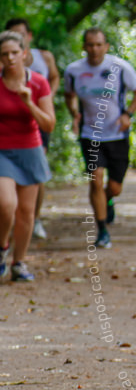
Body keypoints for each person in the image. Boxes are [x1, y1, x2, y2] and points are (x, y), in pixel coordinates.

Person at [64, 28, 136, 249]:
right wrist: (74, 114)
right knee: (96, 179)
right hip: (90, 134)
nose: (94, 49)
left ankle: (108, 199)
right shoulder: (74, 70)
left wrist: (128, 114)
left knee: (115, 187)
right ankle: (102, 231)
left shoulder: (119, 67)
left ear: (106, 46)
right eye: (90, 45)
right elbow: (69, 95)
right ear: (84, 47)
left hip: (117, 134)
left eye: (99, 44)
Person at [0, 30, 56, 281]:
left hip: (29, 150)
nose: (10, 58)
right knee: (6, 204)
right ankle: (2, 247)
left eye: (14, 53)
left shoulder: (38, 83)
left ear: (24, 54)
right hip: (2, 151)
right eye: (4, 54)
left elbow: (49, 125)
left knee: (26, 212)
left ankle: (19, 263)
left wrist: (29, 103)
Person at [5, 18, 60, 240]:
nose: (10, 57)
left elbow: (54, 77)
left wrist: (43, 99)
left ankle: (34, 219)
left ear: (27, 41)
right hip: (6, 136)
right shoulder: (4, 63)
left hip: (34, 124)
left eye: (20, 33)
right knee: (7, 198)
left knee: (34, 175)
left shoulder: (43, 59)